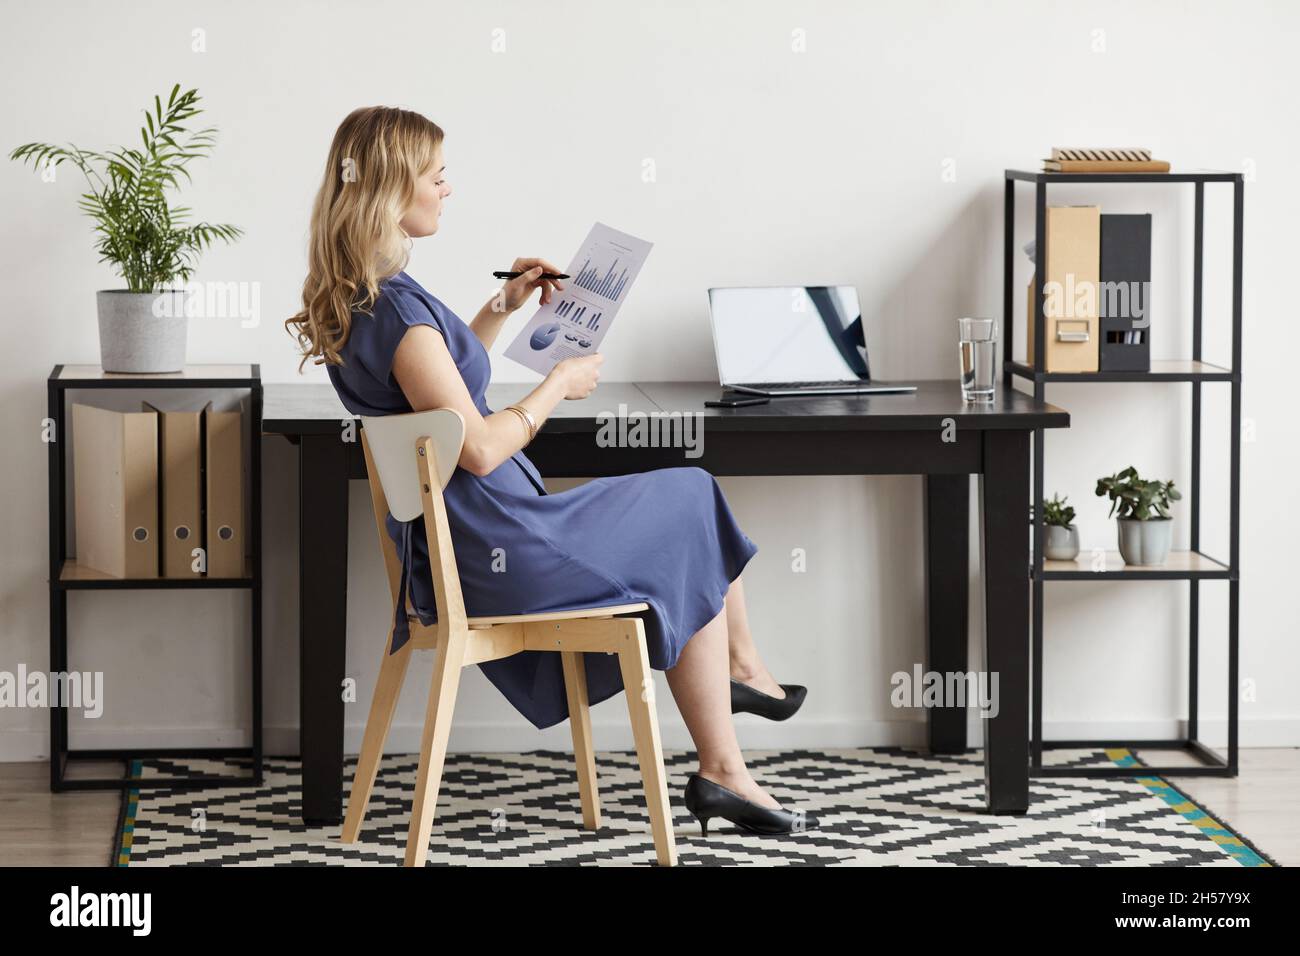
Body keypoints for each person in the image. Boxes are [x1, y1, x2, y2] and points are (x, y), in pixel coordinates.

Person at [286, 106, 813, 835]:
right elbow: (474, 448)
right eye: (437, 176)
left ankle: (735, 714)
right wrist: (556, 388)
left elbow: (437, 388)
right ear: (391, 185)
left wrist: (500, 307)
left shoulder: (366, 303)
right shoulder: (398, 312)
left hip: (476, 545)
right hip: (505, 547)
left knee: (685, 511)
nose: (447, 188)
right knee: (690, 494)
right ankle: (733, 714)